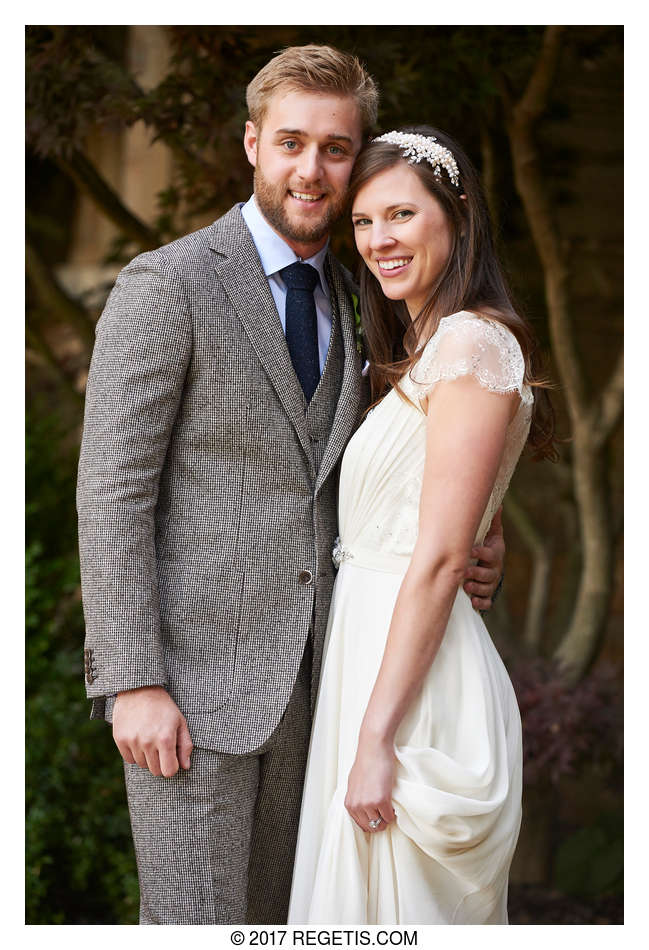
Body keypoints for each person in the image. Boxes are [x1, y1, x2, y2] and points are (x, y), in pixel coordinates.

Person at [76, 47, 505, 926]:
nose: (311, 170)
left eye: (337, 149)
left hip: (324, 693)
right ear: (252, 146)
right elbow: (112, 494)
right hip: (190, 699)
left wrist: (478, 534)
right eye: (291, 143)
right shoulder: (171, 283)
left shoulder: (362, 292)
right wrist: (132, 682)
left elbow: (402, 453)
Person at [288, 127, 557, 925]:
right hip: (368, 660)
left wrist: (375, 740)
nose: (378, 242)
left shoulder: (471, 342)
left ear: (459, 216)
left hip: (410, 693)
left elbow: (439, 561)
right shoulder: (422, 348)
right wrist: (491, 521)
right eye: (363, 223)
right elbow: (444, 491)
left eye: (400, 214)